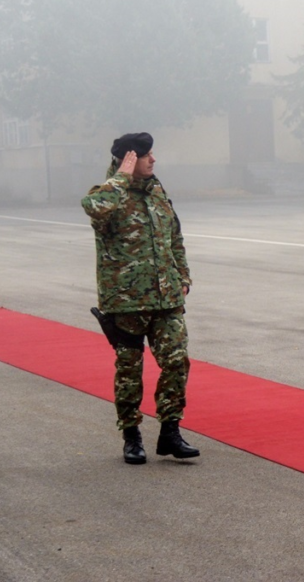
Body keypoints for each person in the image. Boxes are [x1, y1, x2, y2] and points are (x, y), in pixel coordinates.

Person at [82, 132, 200, 465]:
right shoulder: (108, 195)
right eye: (146, 155)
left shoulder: (157, 192)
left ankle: (170, 432)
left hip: (166, 298)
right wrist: (120, 177)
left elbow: (174, 237)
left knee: (177, 362)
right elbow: (93, 208)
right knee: (130, 371)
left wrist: (184, 277)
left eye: (152, 154)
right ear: (128, 159)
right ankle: (131, 436)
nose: (154, 159)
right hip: (127, 301)